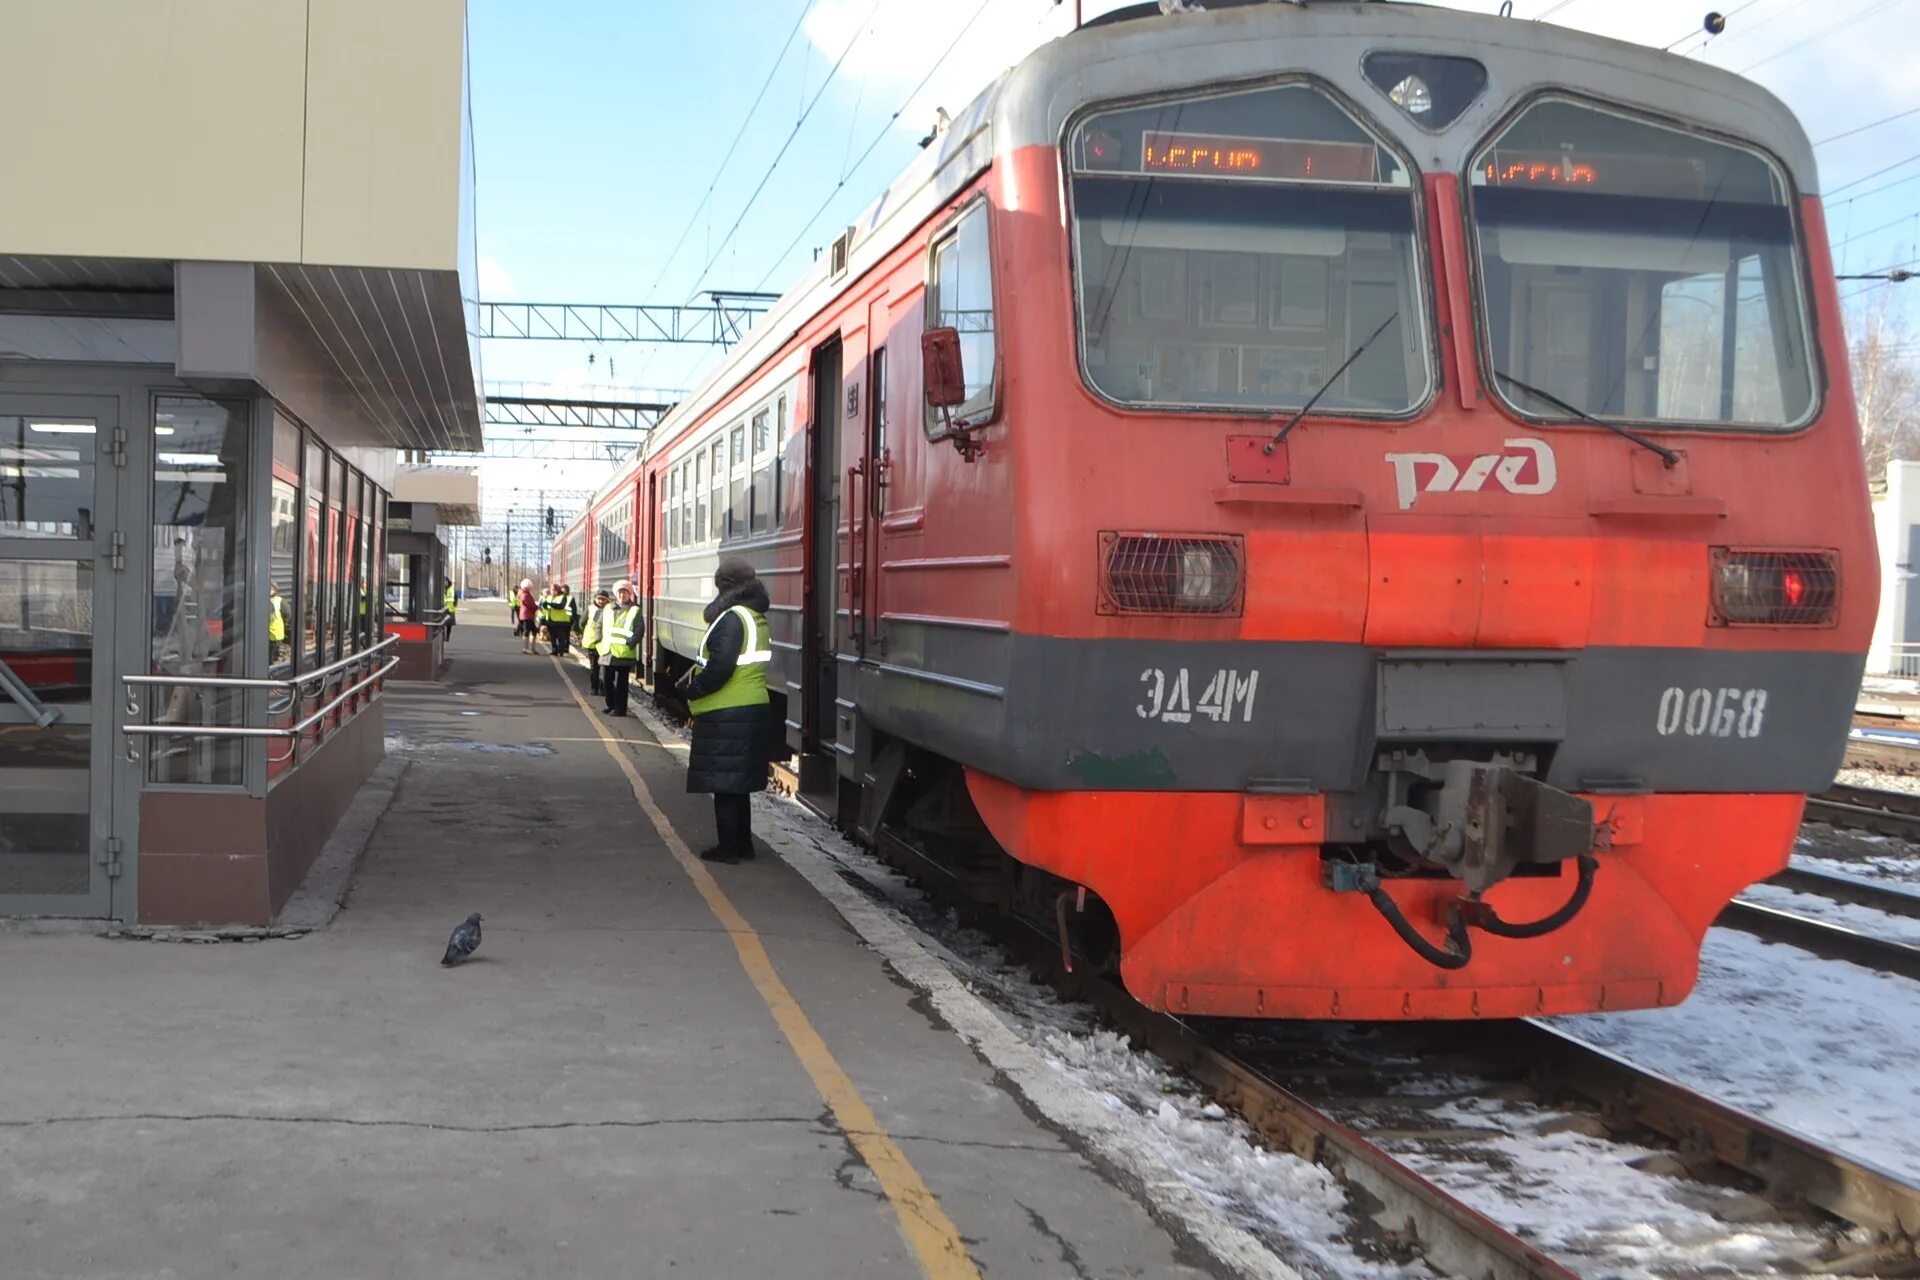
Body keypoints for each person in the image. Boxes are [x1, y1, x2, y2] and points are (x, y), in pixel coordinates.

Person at [678, 558, 773, 865]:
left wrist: (695, 689)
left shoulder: (732, 617)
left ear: (725, 587)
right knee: (737, 785)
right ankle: (743, 844)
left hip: (728, 708)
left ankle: (728, 848)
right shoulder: (753, 615)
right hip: (749, 704)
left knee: (724, 785)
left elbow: (721, 666)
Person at [601, 581, 641, 716]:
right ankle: (610, 704)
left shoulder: (634, 610)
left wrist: (631, 642)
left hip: (624, 652)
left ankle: (620, 709)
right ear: (615, 594)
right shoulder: (608, 608)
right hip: (607, 651)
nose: (622, 595)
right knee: (605, 679)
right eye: (619, 592)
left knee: (621, 684)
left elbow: (639, 629)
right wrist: (598, 642)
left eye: (624, 592)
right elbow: (599, 625)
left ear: (629, 594)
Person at [579, 586, 612, 696]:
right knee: (594, 668)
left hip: (605, 643)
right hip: (592, 643)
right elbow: (582, 623)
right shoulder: (590, 609)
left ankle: (603, 689)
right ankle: (594, 688)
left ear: (607, 600)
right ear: (595, 599)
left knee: (604, 668)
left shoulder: (610, 609)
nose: (601, 601)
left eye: (603, 599)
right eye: (599, 599)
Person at [542, 580, 574, 657]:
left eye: (554, 590)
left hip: (561, 621)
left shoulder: (563, 597)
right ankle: (554, 650)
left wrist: (549, 604)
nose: (553, 592)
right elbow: (546, 608)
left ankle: (561, 651)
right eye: (552, 590)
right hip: (551, 621)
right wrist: (544, 605)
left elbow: (560, 606)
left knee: (561, 638)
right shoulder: (549, 597)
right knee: (553, 637)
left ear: (557, 590)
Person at [267, 582, 290, 667]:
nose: (269, 590)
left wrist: (284, 624)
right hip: (267, 635)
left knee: (272, 657)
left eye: (271, 589)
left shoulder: (279, 600)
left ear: (275, 590)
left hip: (275, 634)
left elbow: (288, 613)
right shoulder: (264, 599)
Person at [517, 578, 538, 655]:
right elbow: (530, 604)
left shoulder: (524, 594)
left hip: (526, 614)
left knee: (534, 631)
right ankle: (526, 648)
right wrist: (536, 607)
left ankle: (531, 648)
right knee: (527, 631)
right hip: (527, 615)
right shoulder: (525, 595)